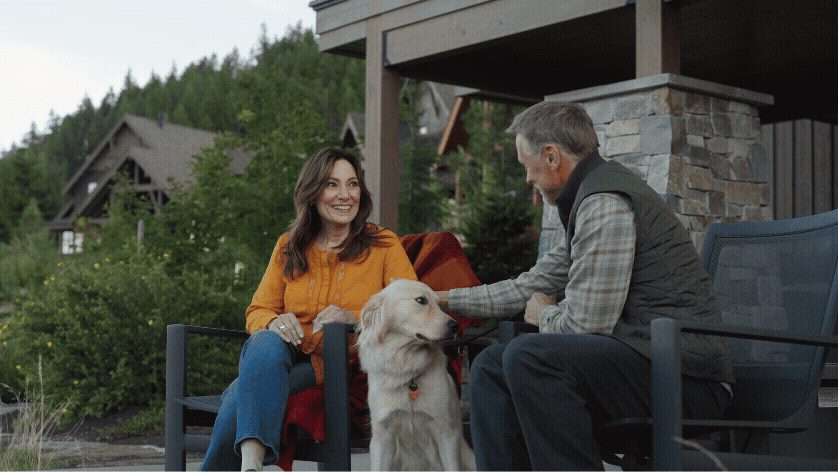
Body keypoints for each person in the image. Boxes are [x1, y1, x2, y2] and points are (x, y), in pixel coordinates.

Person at [436, 101, 734, 470]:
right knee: (491, 367)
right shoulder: (590, 200)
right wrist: (440, 299)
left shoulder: (605, 204)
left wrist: (545, 314)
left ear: (551, 156)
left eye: (525, 165)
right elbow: (530, 283)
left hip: (687, 380)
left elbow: (585, 328)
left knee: (529, 356)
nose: (527, 178)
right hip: (650, 361)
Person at [201, 147, 418, 471]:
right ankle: (251, 465)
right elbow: (257, 310)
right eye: (332, 184)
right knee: (263, 339)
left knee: (237, 396)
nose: (345, 195)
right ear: (312, 193)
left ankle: (250, 468)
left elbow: (411, 306)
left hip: (342, 362)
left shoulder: (383, 245)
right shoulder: (289, 246)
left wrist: (356, 318)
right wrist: (275, 321)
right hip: (286, 353)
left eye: (353, 184)